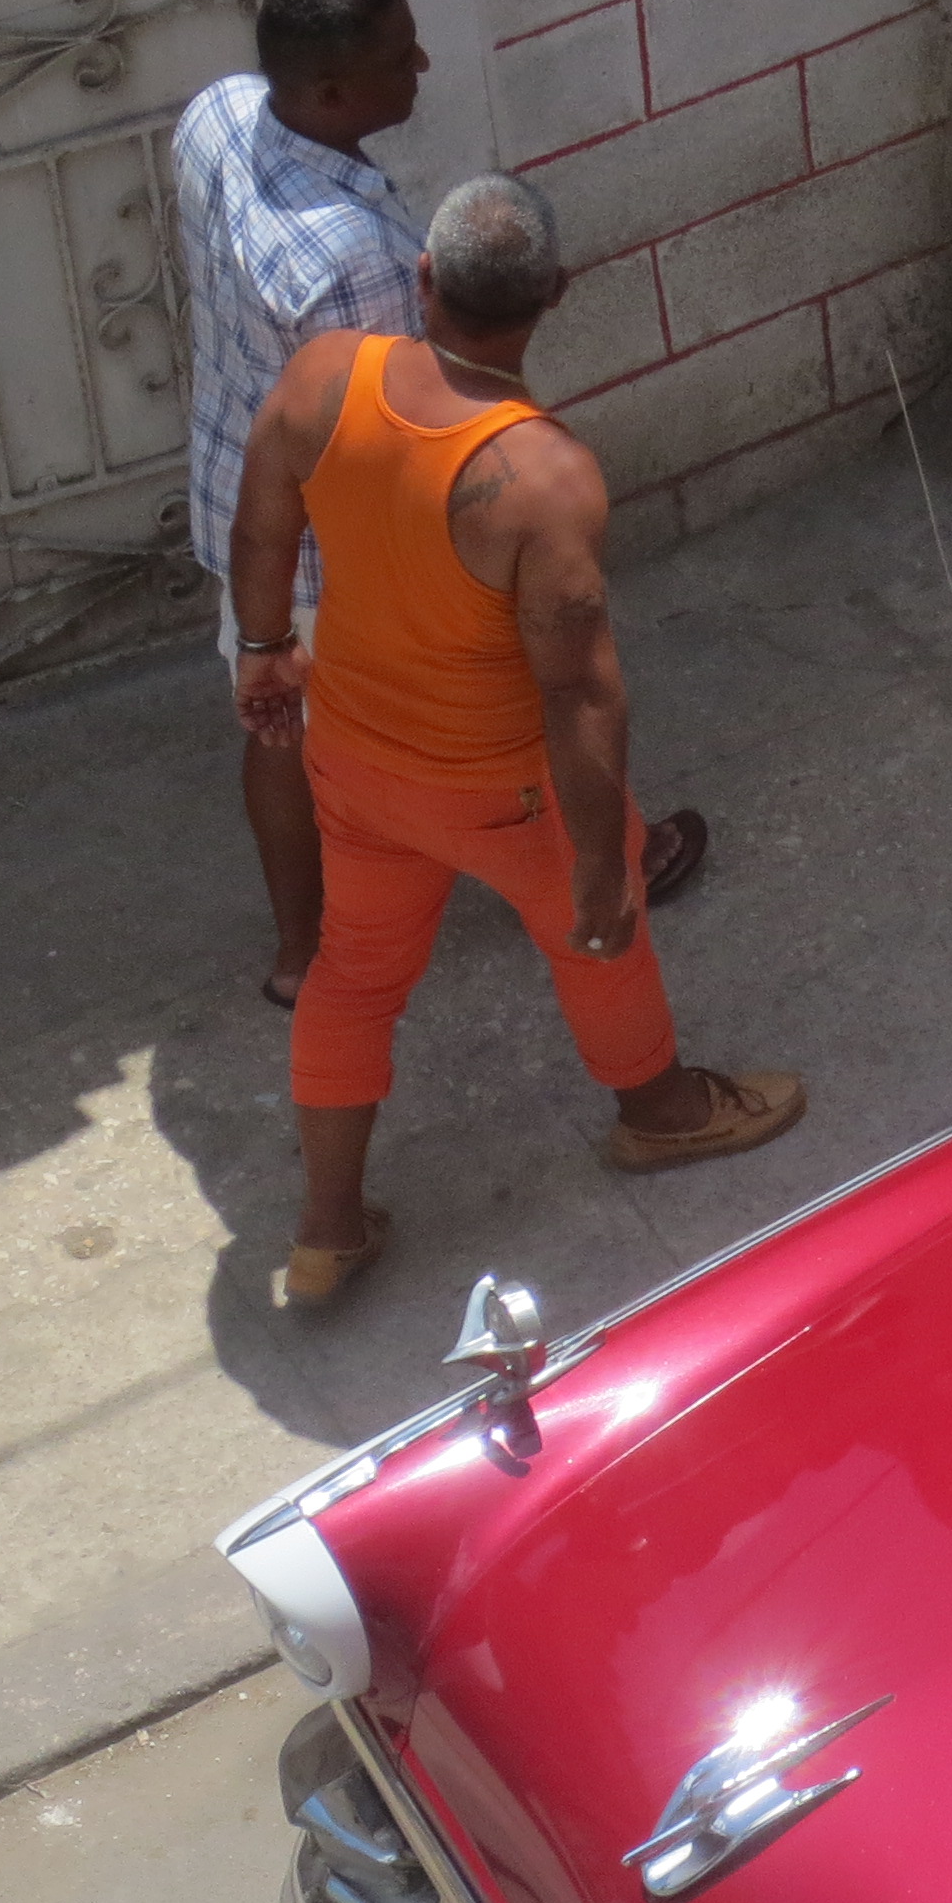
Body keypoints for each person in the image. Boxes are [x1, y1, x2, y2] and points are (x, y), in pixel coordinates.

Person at [227, 173, 806, 1306]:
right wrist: (606, 863)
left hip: (353, 759)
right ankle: (661, 1113)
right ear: (555, 293)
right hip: (503, 790)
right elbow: (580, 691)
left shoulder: (323, 377)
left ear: (424, 277)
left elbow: (260, 528)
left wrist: (262, 651)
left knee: (354, 972)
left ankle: (329, 1228)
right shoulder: (542, 477)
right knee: (598, 943)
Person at [176, 0, 700, 1008]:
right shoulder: (356, 263)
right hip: (335, 547)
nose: (420, 64)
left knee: (276, 721)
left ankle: (300, 952)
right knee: (527, 697)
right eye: (396, 56)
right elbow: (409, 424)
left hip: (235, 485)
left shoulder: (218, 113)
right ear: (331, 91)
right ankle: (610, 865)